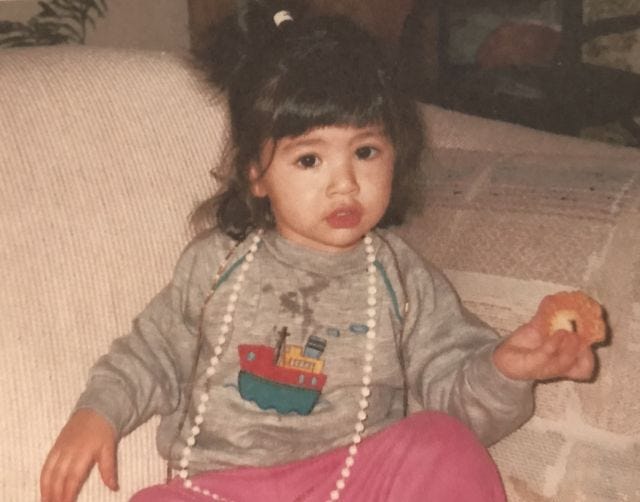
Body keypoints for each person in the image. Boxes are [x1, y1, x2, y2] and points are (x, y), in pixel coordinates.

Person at [40, 2, 598, 501]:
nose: (345, 184)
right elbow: (151, 353)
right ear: (256, 174)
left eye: (366, 151)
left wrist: (506, 369)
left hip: (355, 480)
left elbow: (454, 391)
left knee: (442, 442)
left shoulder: (399, 275)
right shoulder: (216, 263)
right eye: (310, 160)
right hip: (221, 489)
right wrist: (98, 414)